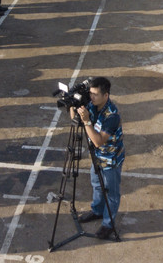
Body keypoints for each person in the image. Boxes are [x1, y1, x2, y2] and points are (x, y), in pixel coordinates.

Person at [71, 77, 124, 240]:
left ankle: (108, 224)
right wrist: (73, 104)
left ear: (105, 95)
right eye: (90, 93)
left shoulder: (112, 116)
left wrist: (87, 121)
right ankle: (97, 210)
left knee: (112, 193)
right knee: (96, 185)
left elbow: (98, 141)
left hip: (110, 160)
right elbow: (74, 119)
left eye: (95, 94)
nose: (91, 97)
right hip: (96, 157)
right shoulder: (91, 105)